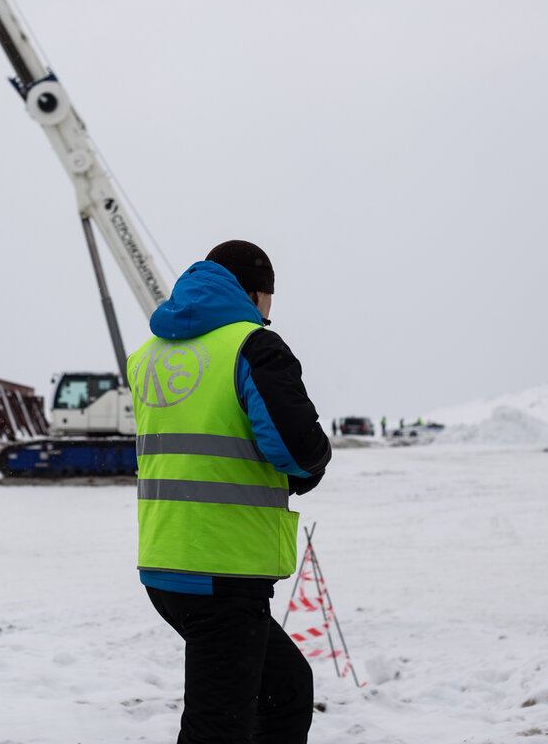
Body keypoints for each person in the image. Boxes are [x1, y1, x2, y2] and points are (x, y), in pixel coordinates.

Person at [128, 240, 332, 744]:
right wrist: (308, 469)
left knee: (284, 689)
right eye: (268, 298)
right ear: (254, 293)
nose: (268, 312)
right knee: (218, 728)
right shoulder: (252, 346)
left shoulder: (147, 356)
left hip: (165, 564)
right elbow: (298, 450)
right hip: (224, 571)